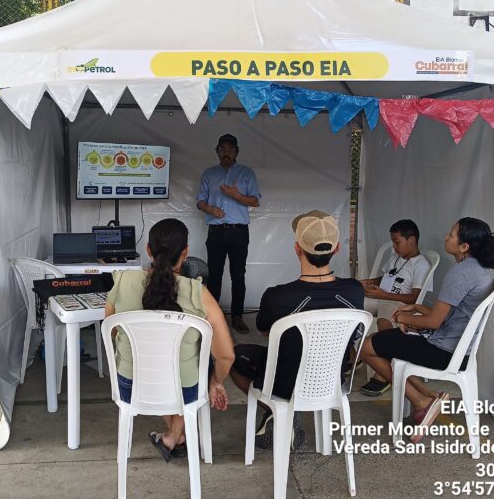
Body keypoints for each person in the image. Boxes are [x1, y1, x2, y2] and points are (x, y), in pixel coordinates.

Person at [360, 217, 494, 442]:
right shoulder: (480, 270)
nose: (446, 237)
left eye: (452, 234)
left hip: (442, 351)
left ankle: (421, 401)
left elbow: (435, 322)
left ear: (464, 247)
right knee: (387, 343)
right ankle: (429, 395)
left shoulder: (460, 273)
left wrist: (403, 317)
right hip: (458, 349)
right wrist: (416, 308)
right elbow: (450, 315)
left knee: (367, 346)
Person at [230, 210, 365, 449]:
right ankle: (281, 417)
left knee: (234, 356)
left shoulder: (277, 296)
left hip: (284, 383)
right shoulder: (355, 291)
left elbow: (266, 332)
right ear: (336, 250)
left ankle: (279, 413)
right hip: (333, 379)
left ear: (297, 249)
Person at [104, 218, 235, 462]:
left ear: (148, 251)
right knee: (202, 364)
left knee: (155, 367)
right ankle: (175, 434)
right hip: (184, 390)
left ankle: (174, 435)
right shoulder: (199, 294)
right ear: (185, 252)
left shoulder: (121, 281)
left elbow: (112, 332)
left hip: (130, 387)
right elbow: (226, 355)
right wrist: (215, 382)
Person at [196, 133, 260, 334]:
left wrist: (237, 195)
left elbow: (255, 201)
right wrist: (209, 209)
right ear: (217, 151)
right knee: (213, 276)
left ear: (237, 152)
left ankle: (238, 317)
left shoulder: (246, 173)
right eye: (222, 149)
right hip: (215, 231)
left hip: (238, 232)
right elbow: (200, 200)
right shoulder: (208, 174)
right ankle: (213, 318)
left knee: (238, 276)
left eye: (230, 149)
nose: (226, 153)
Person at [359, 219, 430, 396]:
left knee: (384, 320)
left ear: (411, 240)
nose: (394, 246)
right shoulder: (396, 258)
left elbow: (414, 298)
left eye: (397, 242)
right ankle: (353, 356)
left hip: (400, 303)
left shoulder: (421, 264)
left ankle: (382, 375)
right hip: (382, 297)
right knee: (353, 307)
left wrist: (383, 295)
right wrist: (366, 283)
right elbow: (385, 278)